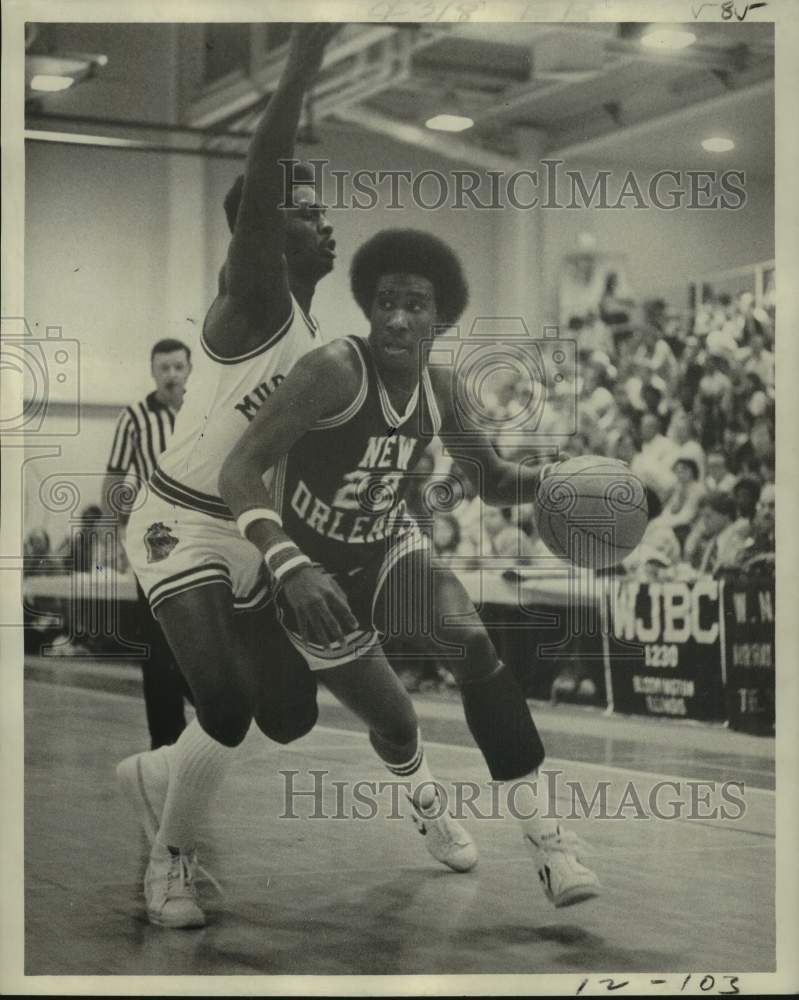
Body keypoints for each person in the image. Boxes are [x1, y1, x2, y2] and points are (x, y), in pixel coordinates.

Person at [219, 228, 601, 917]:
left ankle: (549, 842)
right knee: (393, 725)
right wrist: (286, 562)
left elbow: (491, 479)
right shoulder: (331, 369)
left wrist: (560, 480)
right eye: (386, 302)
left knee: (474, 645)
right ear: (368, 307)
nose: (397, 317)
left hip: (388, 545)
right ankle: (426, 802)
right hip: (312, 570)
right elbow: (238, 471)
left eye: (415, 305)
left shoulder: (443, 389)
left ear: (441, 318)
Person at [120, 25, 349, 929]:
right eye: (304, 209)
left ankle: (160, 772)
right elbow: (268, 155)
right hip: (176, 515)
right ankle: (170, 863)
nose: (324, 220)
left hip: (248, 525)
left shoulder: (312, 326)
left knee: (287, 715)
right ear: (263, 222)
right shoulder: (253, 291)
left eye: (325, 210)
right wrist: (304, 55)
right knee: (221, 699)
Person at [101, 339, 194, 749]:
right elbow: (113, 479)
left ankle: (213, 712)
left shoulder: (203, 412)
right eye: (164, 368)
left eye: (178, 367)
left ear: (190, 370)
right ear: (153, 372)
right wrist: (114, 534)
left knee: (201, 631)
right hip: (153, 538)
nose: (172, 375)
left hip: (201, 533)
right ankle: (165, 741)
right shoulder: (135, 417)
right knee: (157, 641)